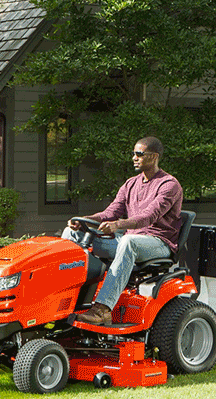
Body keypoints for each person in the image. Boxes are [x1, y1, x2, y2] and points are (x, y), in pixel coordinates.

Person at [64, 136, 183, 325]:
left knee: (129, 242)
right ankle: (64, 296)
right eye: (133, 154)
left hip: (158, 243)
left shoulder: (169, 185)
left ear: (153, 157)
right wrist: (84, 221)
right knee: (72, 234)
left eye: (139, 154)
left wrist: (118, 225)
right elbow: (111, 212)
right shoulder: (131, 183)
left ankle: (102, 310)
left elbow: (148, 217)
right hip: (131, 239)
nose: (133, 158)